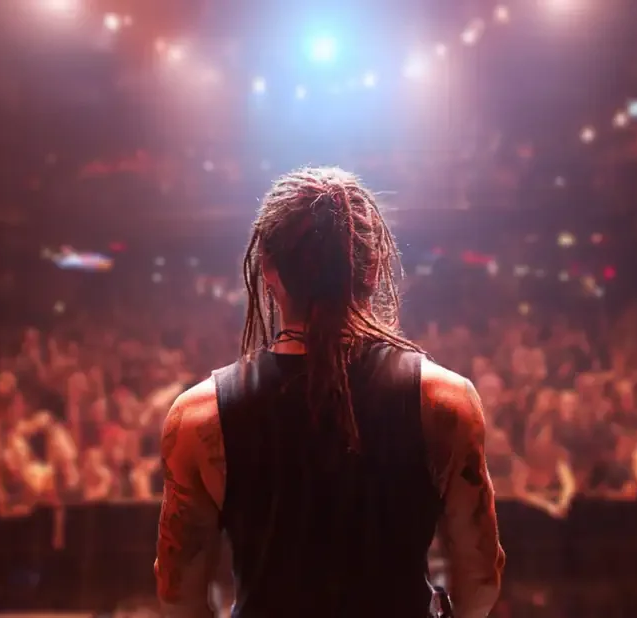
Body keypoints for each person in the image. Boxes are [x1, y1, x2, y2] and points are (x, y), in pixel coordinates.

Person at [154, 167, 505, 618]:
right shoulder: (445, 403)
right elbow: (480, 578)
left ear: (267, 270)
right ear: (374, 268)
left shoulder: (201, 418)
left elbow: (177, 595)